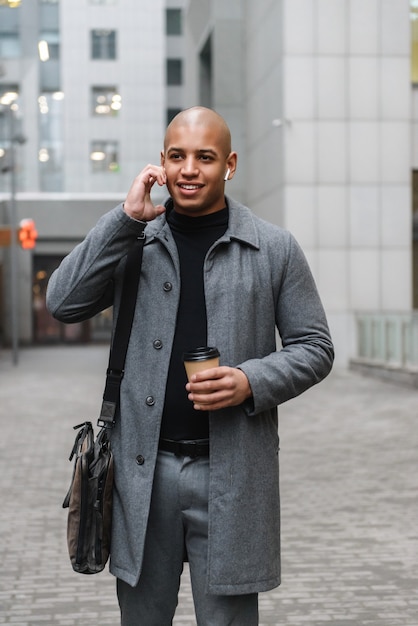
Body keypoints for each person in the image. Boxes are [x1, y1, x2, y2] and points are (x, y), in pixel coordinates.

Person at [47, 106, 334, 625]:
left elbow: (315, 346)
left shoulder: (273, 248)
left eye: (205, 157)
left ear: (230, 163)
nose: (189, 169)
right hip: (142, 477)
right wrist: (125, 217)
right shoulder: (134, 241)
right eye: (177, 156)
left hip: (233, 475)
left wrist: (251, 380)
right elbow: (62, 303)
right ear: (161, 162)